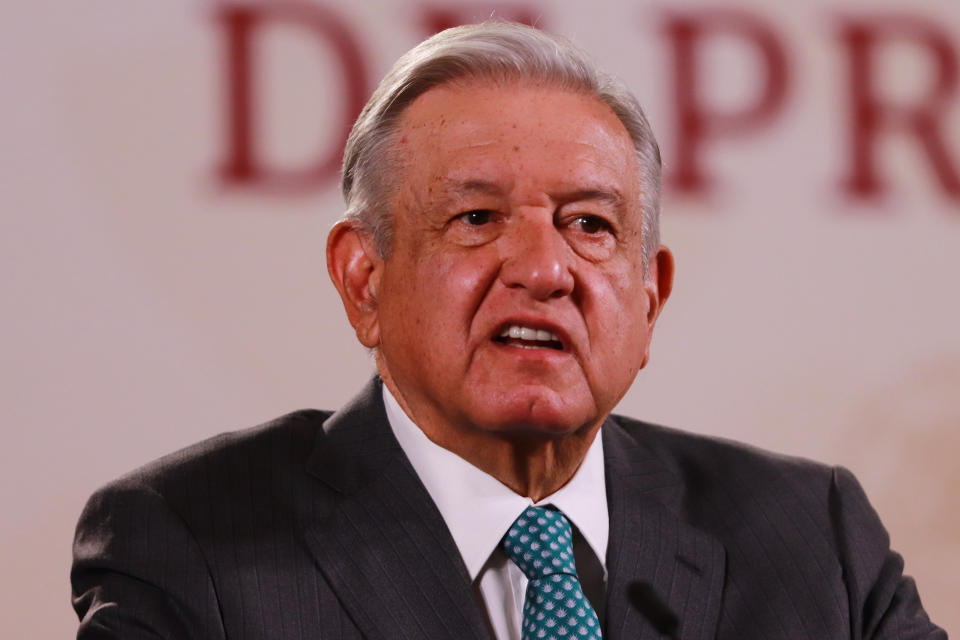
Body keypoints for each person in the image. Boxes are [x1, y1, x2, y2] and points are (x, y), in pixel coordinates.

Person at [71, 22, 944, 640]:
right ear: (362, 278)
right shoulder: (192, 547)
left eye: (591, 225)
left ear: (649, 296)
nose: (544, 268)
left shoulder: (811, 538)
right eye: (479, 216)